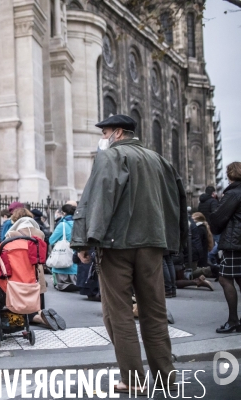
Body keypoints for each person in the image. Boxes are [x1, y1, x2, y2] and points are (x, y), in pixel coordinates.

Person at [71, 114, 187, 393]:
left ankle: (133, 379)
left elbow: (98, 199)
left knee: (118, 314)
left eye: (105, 132)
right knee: (155, 311)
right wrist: (173, 241)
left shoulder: (111, 157)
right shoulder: (160, 160)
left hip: (116, 245)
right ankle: (166, 376)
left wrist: (85, 242)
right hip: (152, 244)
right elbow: (177, 202)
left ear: (119, 133)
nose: (103, 137)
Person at [209, 161, 241, 334]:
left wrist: (215, 227)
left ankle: (233, 320)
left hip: (234, 242)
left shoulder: (233, 193)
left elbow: (218, 218)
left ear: (230, 174)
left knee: (225, 279)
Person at [49, 203, 78, 292]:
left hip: (62, 260)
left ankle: (62, 283)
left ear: (64, 213)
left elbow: (51, 240)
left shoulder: (62, 225)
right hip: (76, 261)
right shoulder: (79, 224)